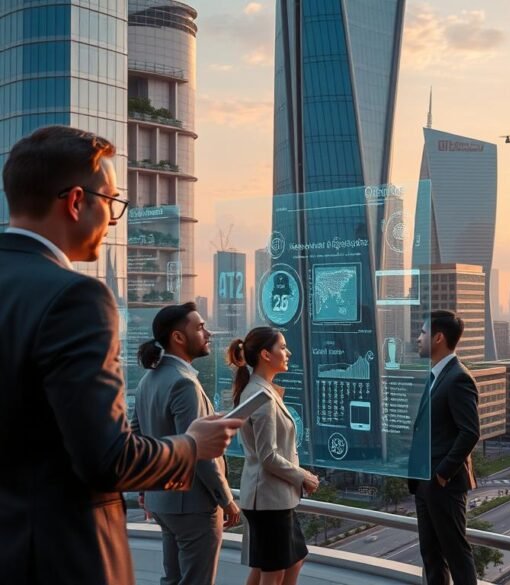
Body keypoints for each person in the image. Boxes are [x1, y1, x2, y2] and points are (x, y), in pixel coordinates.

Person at [0, 125, 242, 585]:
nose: (114, 218)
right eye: (111, 202)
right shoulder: (76, 298)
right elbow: (107, 459)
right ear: (75, 202)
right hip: (59, 557)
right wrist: (192, 445)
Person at [131, 303, 242, 585]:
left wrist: (146, 488)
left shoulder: (148, 380)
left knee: (173, 579)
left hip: (162, 502)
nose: (209, 333)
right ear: (178, 338)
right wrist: (226, 500)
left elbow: (138, 436)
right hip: (193, 505)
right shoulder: (184, 384)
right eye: (200, 327)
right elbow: (199, 452)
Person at [227, 327, 319, 585]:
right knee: (274, 570)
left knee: (287, 561)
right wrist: (304, 476)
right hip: (268, 500)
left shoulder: (262, 390)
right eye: (283, 347)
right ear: (266, 354)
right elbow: (268, 456)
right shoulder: (261, 396)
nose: (288, 353)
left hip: (272, 498)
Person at [409, 310, 481, 585]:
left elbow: (470, 432)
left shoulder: (458, 378)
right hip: (426, 483)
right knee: (431, 555)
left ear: (438, 338)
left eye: (423, 333)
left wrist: (442, 473)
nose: (418, 338)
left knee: (456, 555)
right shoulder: (437, 376)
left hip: (443, 484)